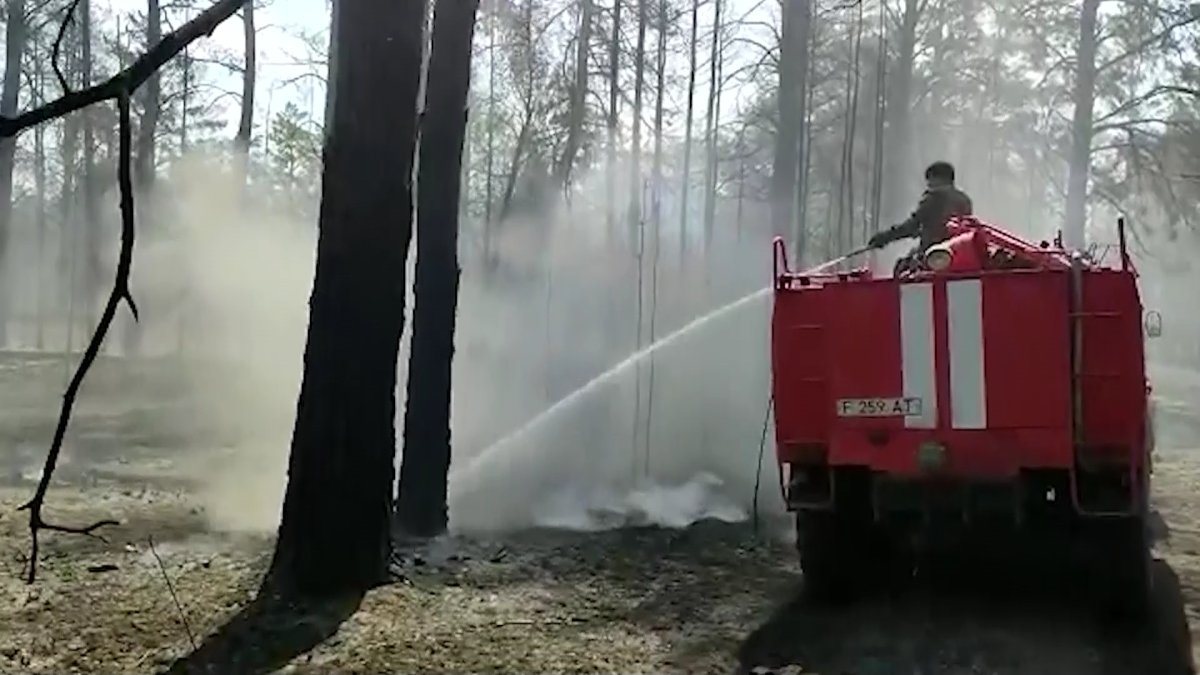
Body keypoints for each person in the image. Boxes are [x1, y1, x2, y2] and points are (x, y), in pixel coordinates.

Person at [868, 161, 974, 253]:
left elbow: (912, 225)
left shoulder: (933, 198)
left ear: (937, 179)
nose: (928, 185)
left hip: (933, 253)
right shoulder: (964, 199)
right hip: (960, 251)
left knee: (904, 266)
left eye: (930, 180)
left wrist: (885, 237)